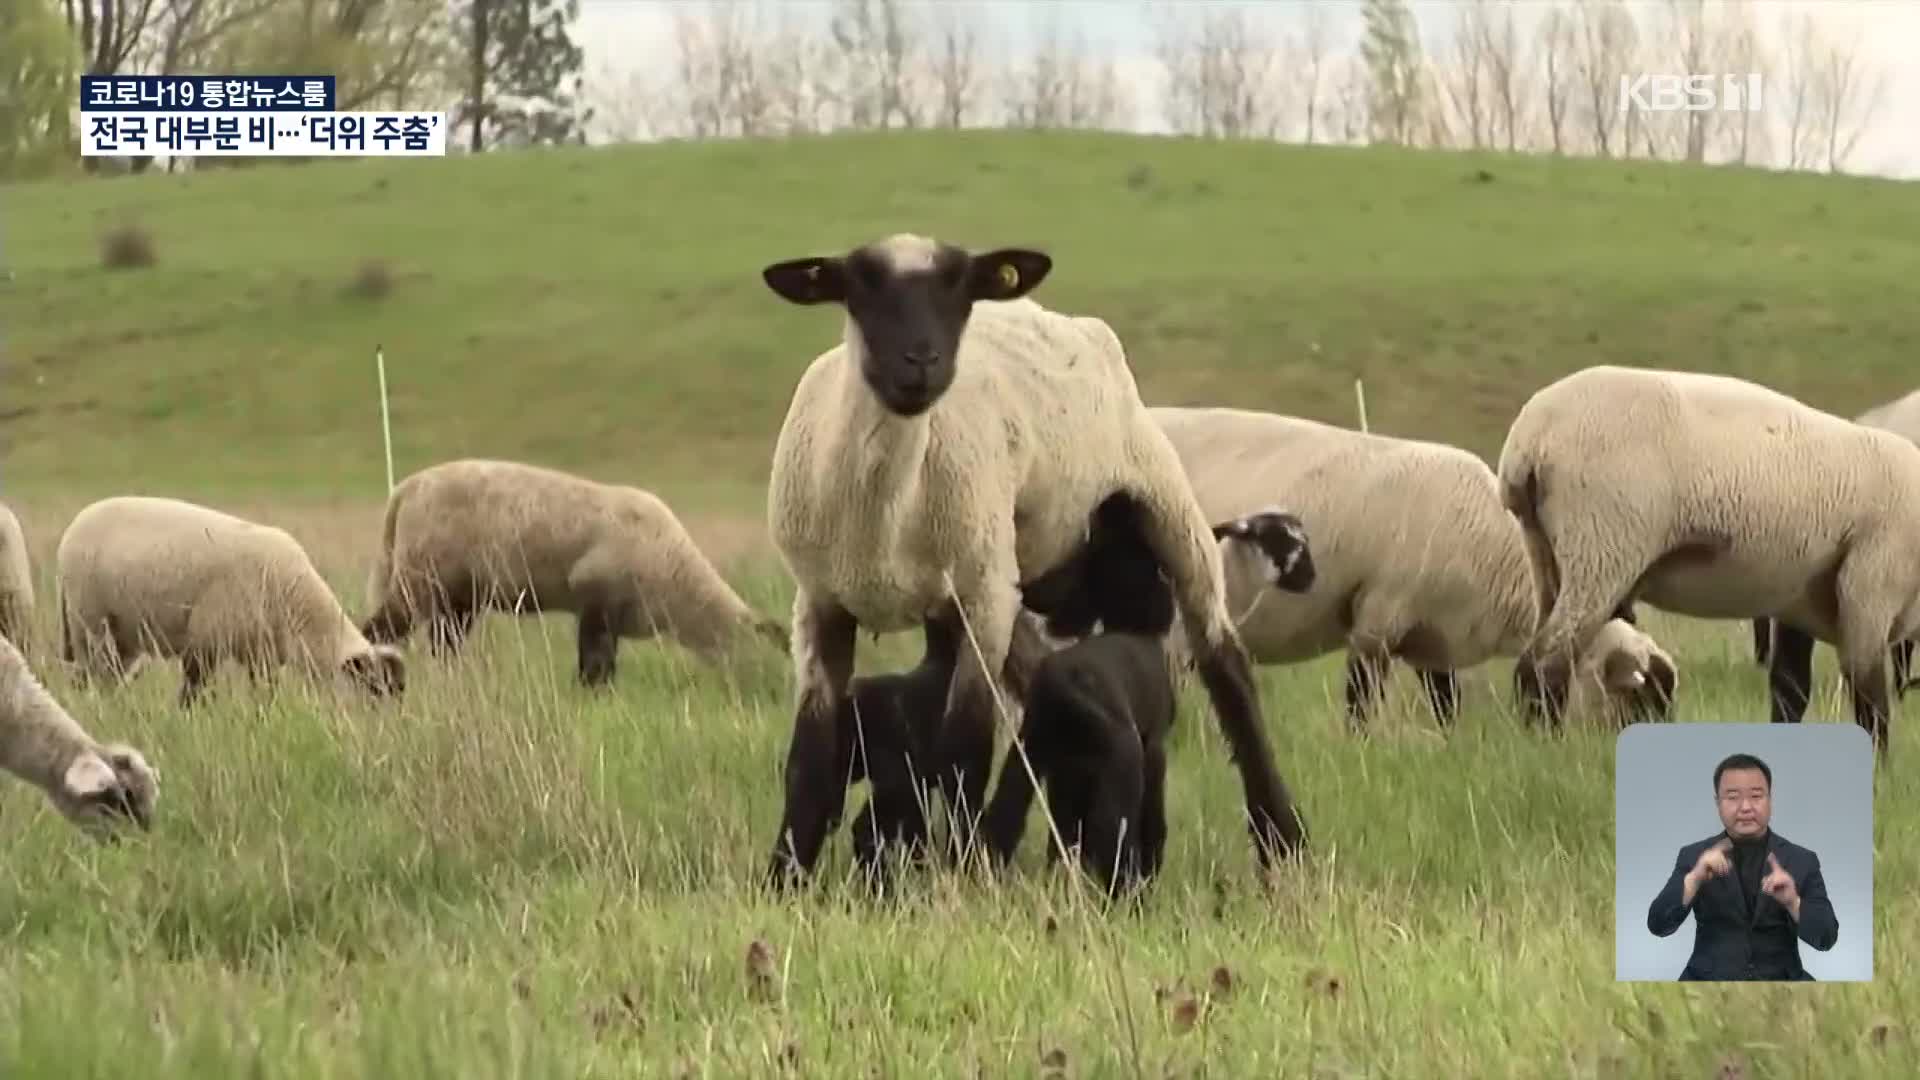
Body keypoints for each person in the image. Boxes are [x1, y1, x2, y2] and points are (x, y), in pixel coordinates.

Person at [1645, 752, 1839, 980]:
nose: (1745, 807)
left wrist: (1793, 902)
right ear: (1717, 802)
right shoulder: (1694, 856)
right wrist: (1694, 879)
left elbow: (1826, 938)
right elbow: (1658, 925)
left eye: (1756, 796)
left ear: (1770, 799)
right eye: (1733, 797)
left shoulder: (1802, 860)